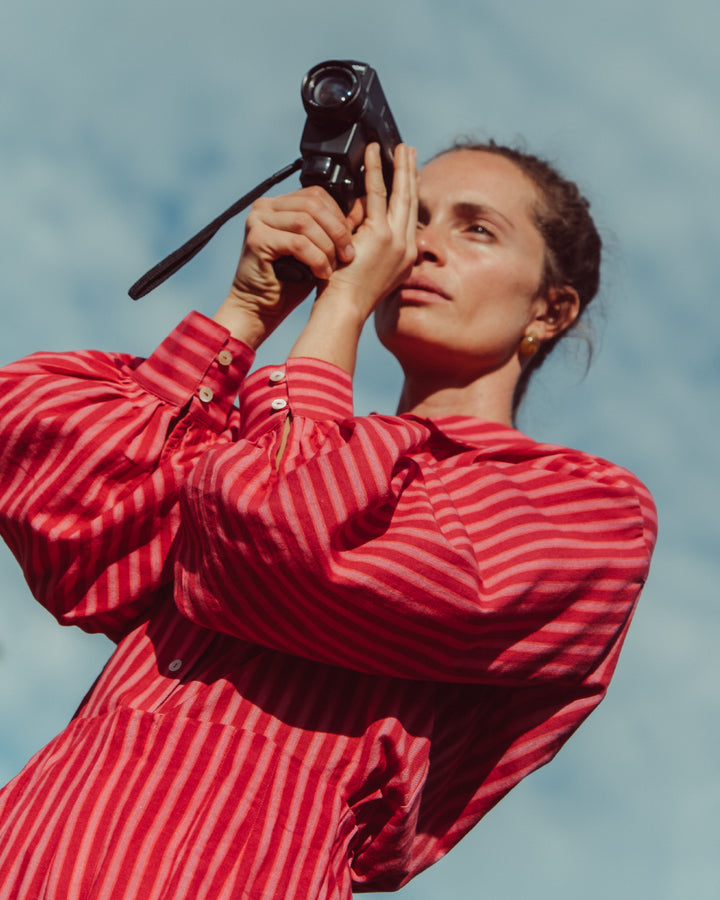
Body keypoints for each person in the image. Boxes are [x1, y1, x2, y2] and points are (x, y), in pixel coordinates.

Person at [0, 141, 656, 899]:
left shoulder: (584, 510)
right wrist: (245, 313)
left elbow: (293, 537)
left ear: (551, 307)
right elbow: (66, 500)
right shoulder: (280, 444)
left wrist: (337, 310)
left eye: (476, 229)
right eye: (409, 217)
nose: (419, 246)